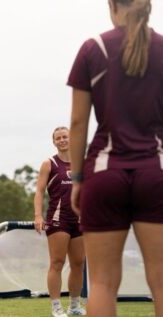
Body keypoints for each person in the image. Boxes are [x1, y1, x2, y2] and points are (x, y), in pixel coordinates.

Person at [68, 0, 163, 316]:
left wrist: (78, 179)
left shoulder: (92, 48)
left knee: (102, 284)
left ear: (111, 4)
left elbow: (79, 123)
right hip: (156, 173)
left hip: (105, 174)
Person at [34, 127, 86, 317]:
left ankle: (74, 305)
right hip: (58, 219)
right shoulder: (49, 164)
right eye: (58, 138)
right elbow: (39, 191)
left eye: (65, 137)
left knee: (79, 263)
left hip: (80, 219)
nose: (63, 140)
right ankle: (56, 306)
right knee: (57, 262)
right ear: (54, 142)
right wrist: (38, 216)